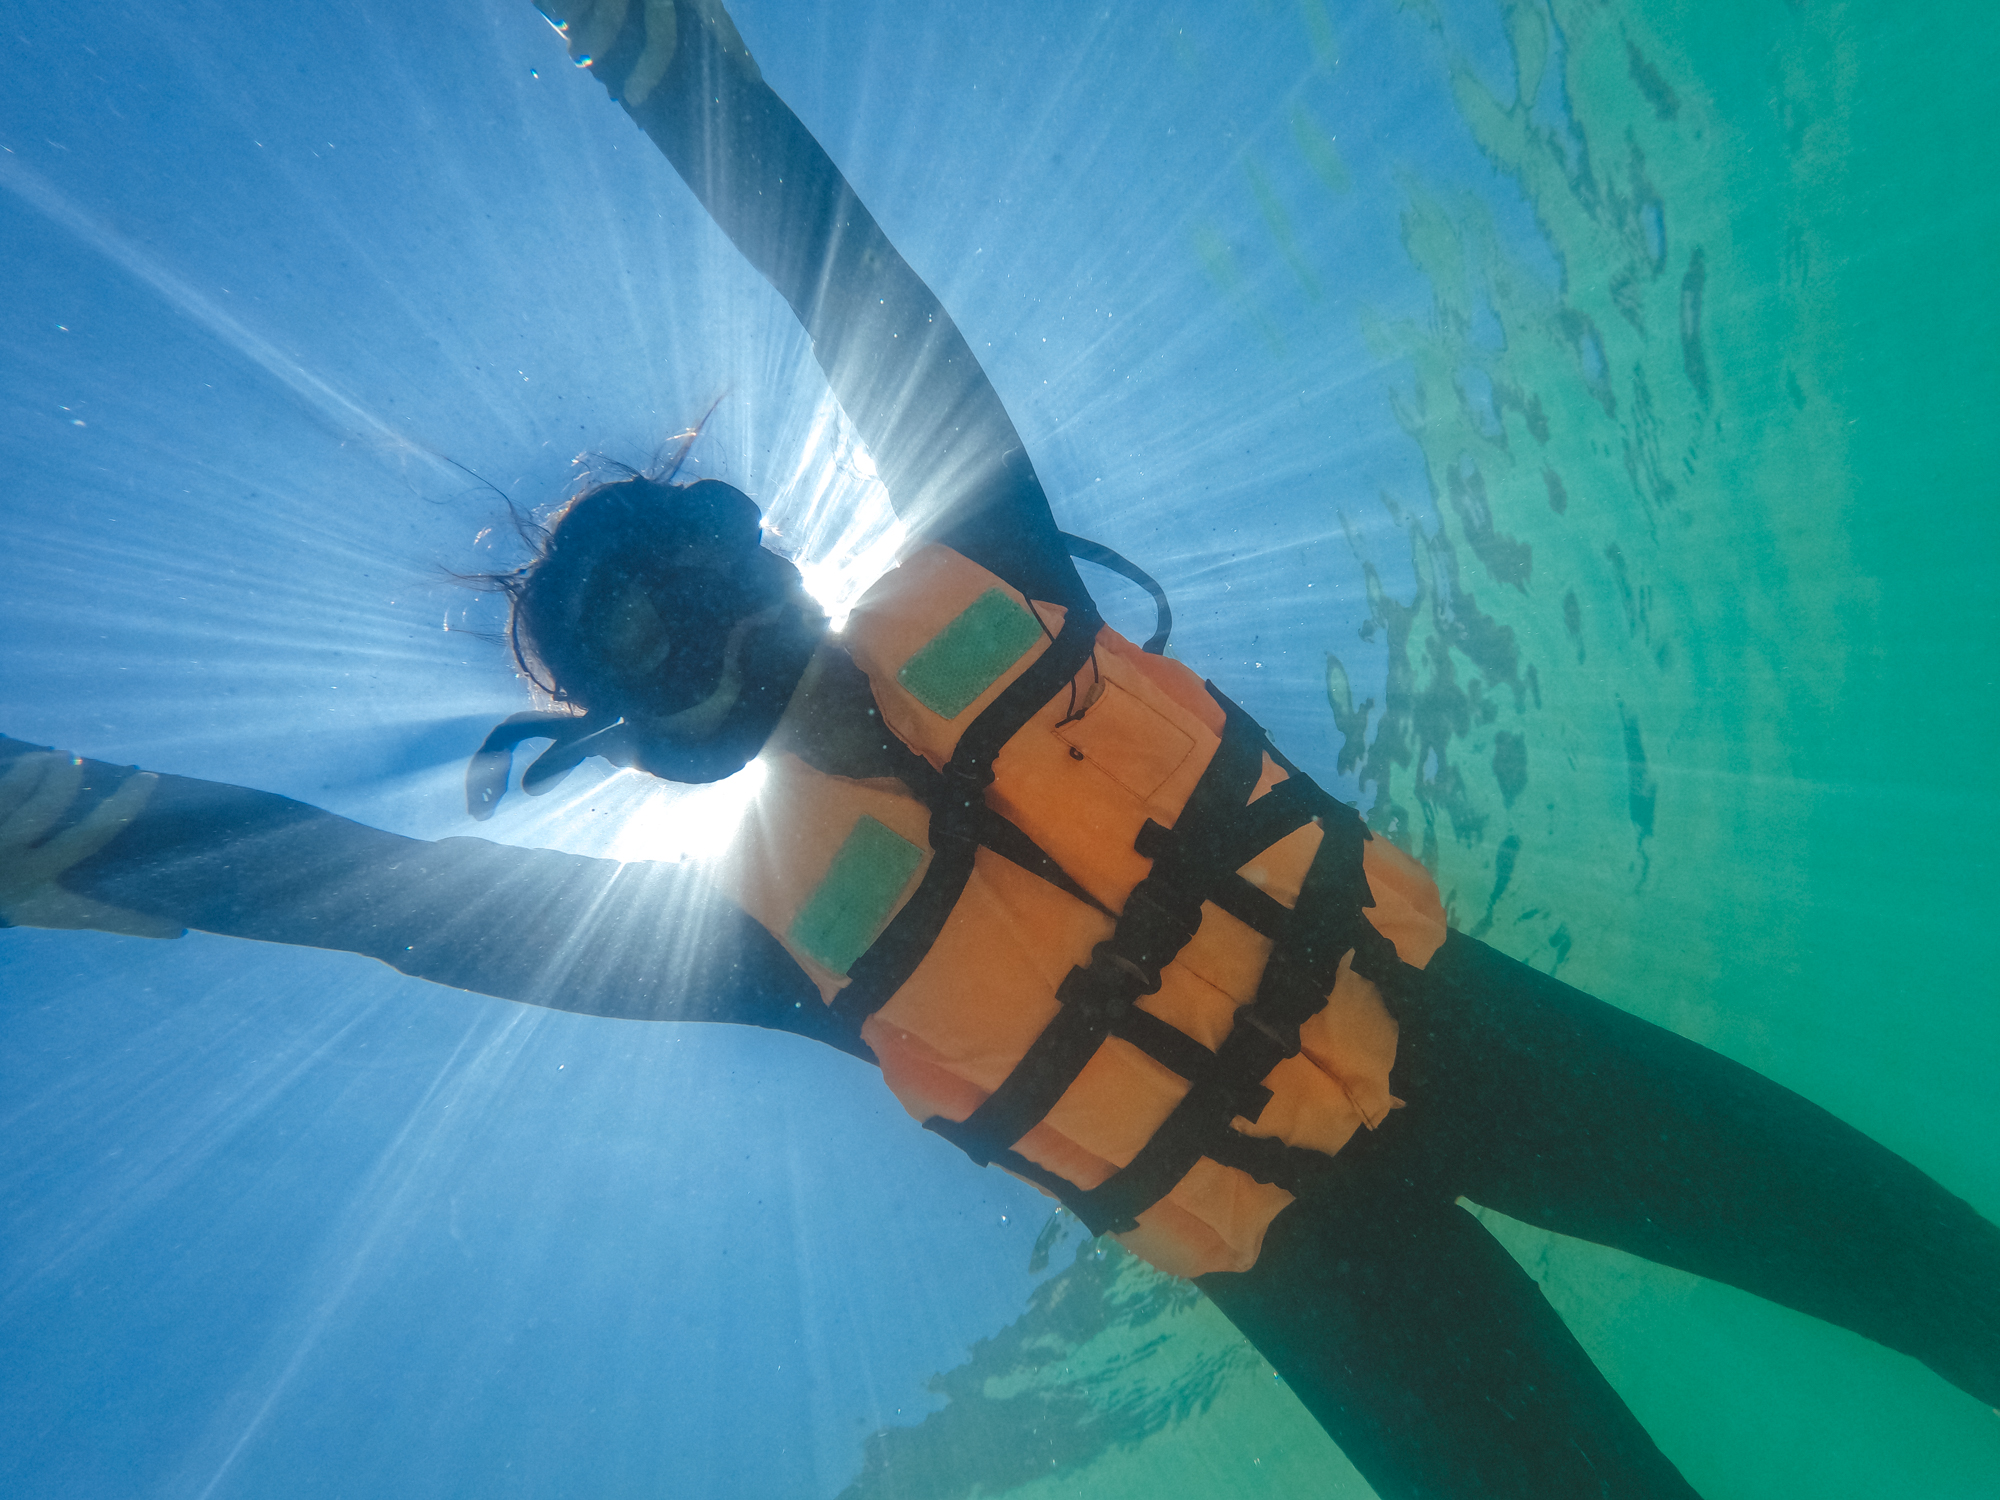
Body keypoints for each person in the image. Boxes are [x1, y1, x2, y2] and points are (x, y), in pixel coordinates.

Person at [3, 4, 1995, 1496]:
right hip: (1316, 1271)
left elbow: (851, 285)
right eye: (635, 625)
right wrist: (78, 831)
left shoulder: (994, 579)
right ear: (627, 728)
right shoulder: (768, 943)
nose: (699, 613)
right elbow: (410, 913)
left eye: (690, 552)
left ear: (769, 534)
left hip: (1463, 1033)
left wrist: (649, 50)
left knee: (1943, 1276)